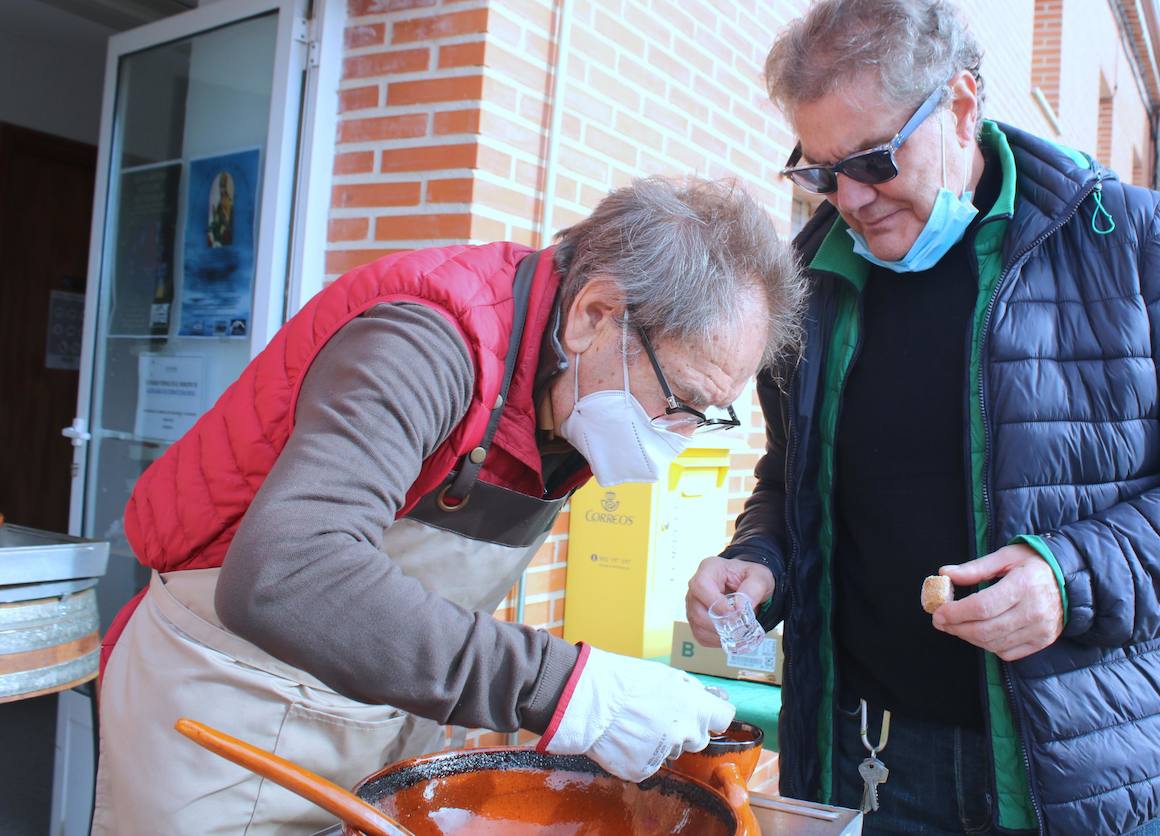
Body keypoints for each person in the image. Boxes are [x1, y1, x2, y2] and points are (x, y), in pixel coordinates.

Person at [685, 0, 1160, 835]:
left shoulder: (1138, 244)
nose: (851, 201)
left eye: (873, 161)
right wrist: (761, 559)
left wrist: (1071, 577)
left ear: (961, 104)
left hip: (1084, 778)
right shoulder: (812, 281)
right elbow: (794, 479)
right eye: (822, 172)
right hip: (865, 761)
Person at [93, 177, 805, 834]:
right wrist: (566, 686)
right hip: (231, 707)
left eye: (707, 415)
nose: (678, 436)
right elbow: (287, 570)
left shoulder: (573, 392)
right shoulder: (425, 343)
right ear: (595, 313)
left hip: (374, 722)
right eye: (680, 399)